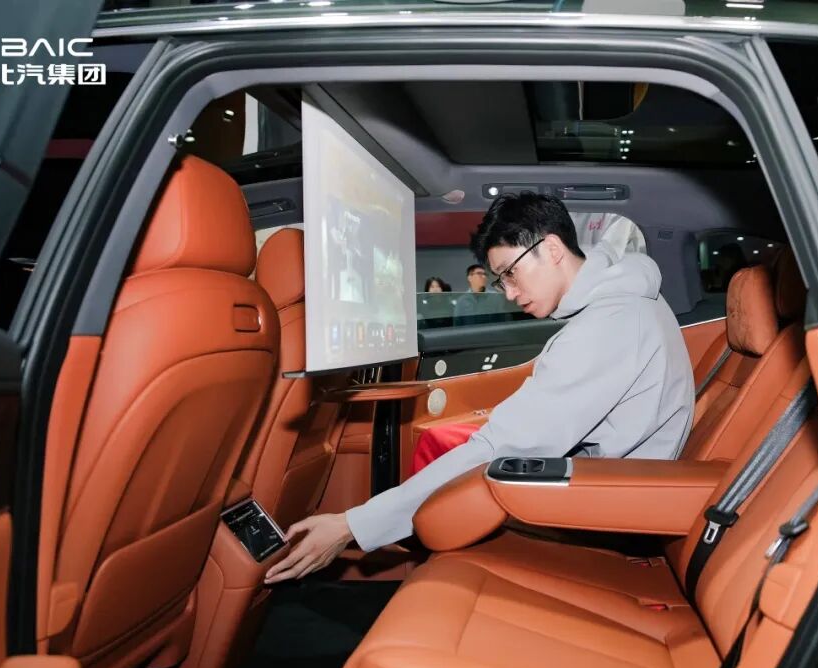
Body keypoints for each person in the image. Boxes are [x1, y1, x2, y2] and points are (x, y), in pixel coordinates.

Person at [265, 192, 694, 583]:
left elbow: (500, 447)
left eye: (510, 273)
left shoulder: (609, 325)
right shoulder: (620, 305)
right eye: (501, 280)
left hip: (611, 516)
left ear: (551, 249)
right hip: (607, 490)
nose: (509, 293)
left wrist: (351, 525)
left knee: (456, 509)